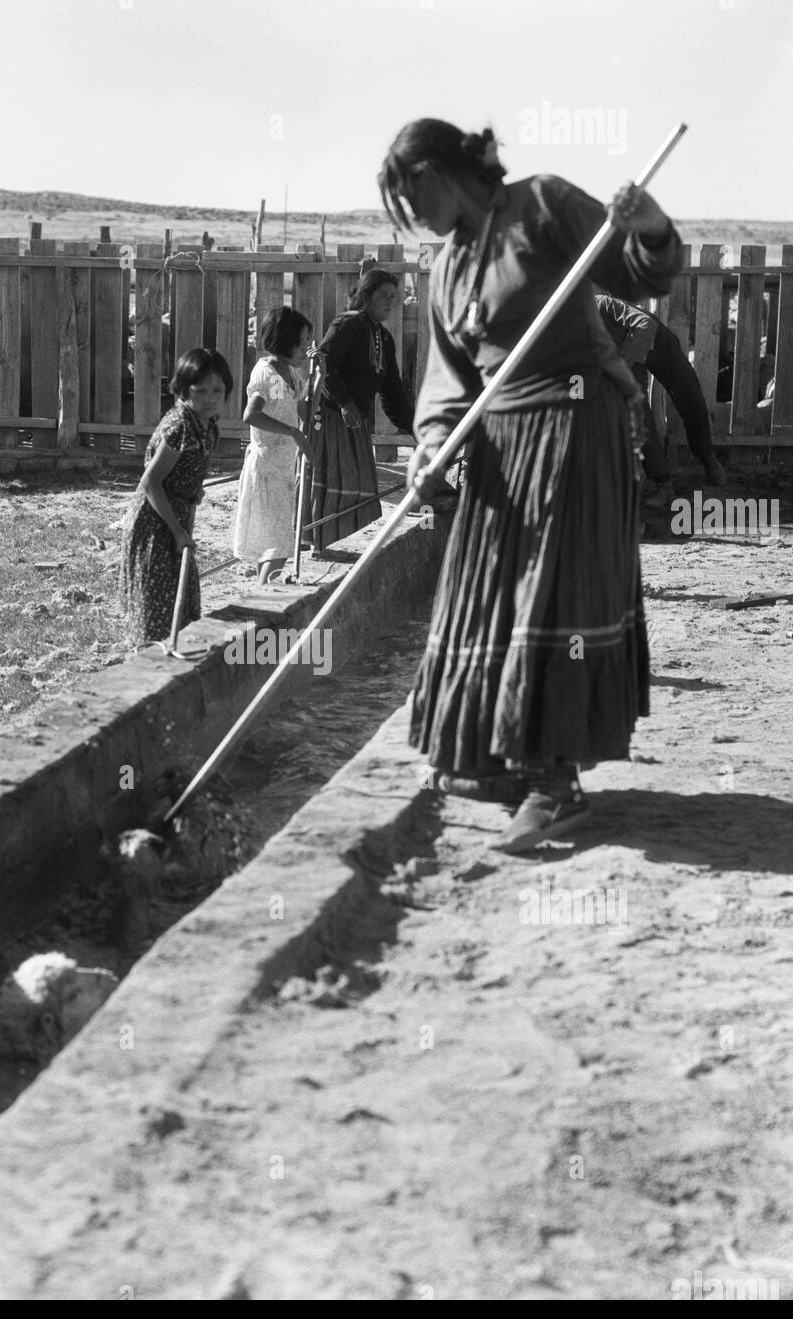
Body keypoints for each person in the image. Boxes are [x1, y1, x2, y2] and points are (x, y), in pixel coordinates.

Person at [378, 119, 683, 853]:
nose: (409, 210)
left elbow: (639, 273)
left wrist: (649, 227)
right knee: (484, 594)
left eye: (410, 188)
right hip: (496, 445)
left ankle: (556, 783)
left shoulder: (542, 206)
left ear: (444, 169)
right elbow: (447, 378)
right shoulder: (445, 266)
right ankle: (497, 760)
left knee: (554, 593)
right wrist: (428, 450)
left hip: (576, 428)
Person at [119, 348, 232, 646]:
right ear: (183, 390)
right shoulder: (180, 427)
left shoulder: (206, 426)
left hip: (177, 517)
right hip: (155, 524)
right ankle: (150, 671)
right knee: (158, 604)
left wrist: (194, 489)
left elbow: (184, 471)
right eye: (201, 390)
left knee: (181, 602)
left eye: (217, 390)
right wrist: (178, 531)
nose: (210, 397)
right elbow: (151, 482)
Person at [310, 269, 415, 554]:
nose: (390, 302)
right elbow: (323, 361)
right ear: (365, 297)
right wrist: (344, 402)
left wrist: (416, 429)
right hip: (331, 415)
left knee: (353, 482)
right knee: (332, 478)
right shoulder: (350, 324)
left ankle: (323, 543)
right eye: (384, 296)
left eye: (395, 297)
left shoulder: (383, 337)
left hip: (354, 421)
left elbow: (391, 390)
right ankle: (316, 546)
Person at [595, 293, 727, 507]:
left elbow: (645, 324)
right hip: (624, 359)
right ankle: (663, 485)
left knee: (690, 399)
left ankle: (707, 458)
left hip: (656, 343)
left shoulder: (602, 304)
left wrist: (623, 365)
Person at [232, 306, 319, 585]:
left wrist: (321, 376)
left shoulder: (291, 374)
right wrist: (292, 432)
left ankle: (264, 594)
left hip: (284, 466)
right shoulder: (266, 374)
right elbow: (251, 415)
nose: (306, 346)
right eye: (303, 340)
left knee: (277, 540)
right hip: (268, 466)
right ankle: (264, 598)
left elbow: (304, 411)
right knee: (278, 543)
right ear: (287, 340)